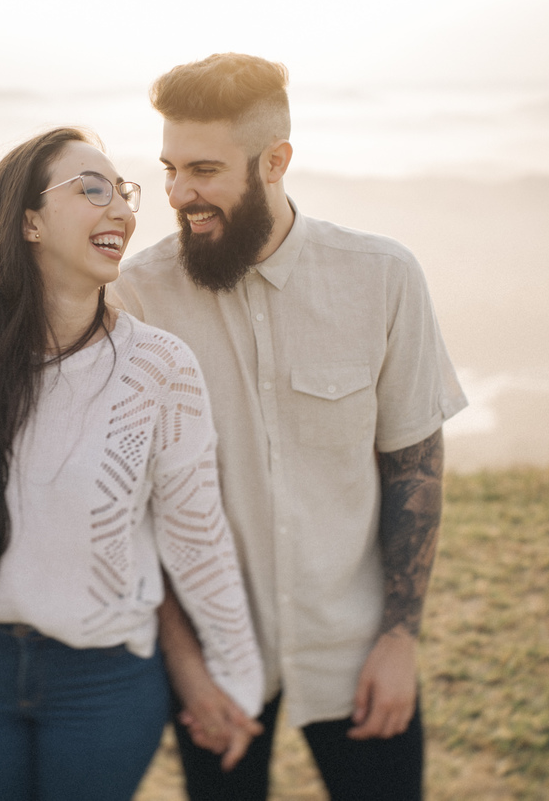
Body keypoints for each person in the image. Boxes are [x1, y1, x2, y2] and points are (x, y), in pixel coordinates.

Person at [109, 54, 468, 800]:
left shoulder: (384, 278)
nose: (179, 194)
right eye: (170, 168)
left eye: (204, 169)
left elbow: (414, 468)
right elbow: (131, 512)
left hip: (359, 651)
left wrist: (401, 638)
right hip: (214, 667)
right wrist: (186, 668)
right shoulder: (137, 299)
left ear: (276, 162)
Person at [0, 126, 264, 801]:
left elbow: (196, 536)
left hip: (106, 684)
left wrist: (237, 681)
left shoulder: (159, 369)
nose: (121, 208)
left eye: (124, 191)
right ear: (29, 220)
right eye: (92, 189)